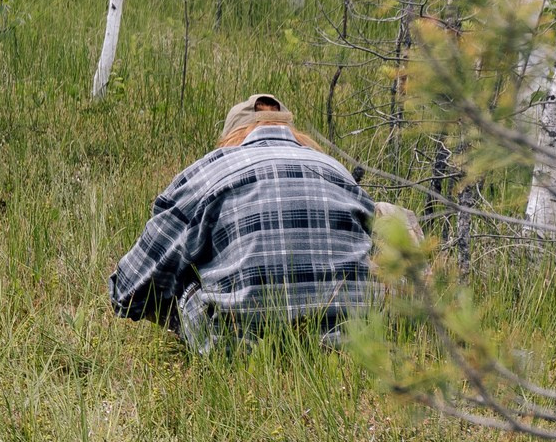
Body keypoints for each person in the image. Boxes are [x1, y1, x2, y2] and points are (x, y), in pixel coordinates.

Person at [110, 95, 381, 351]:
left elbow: (128, 288)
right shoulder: (336, 170)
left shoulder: (213, 170)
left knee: (185, 267)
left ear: (232, 136)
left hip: (235, 346)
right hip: (351, 340)